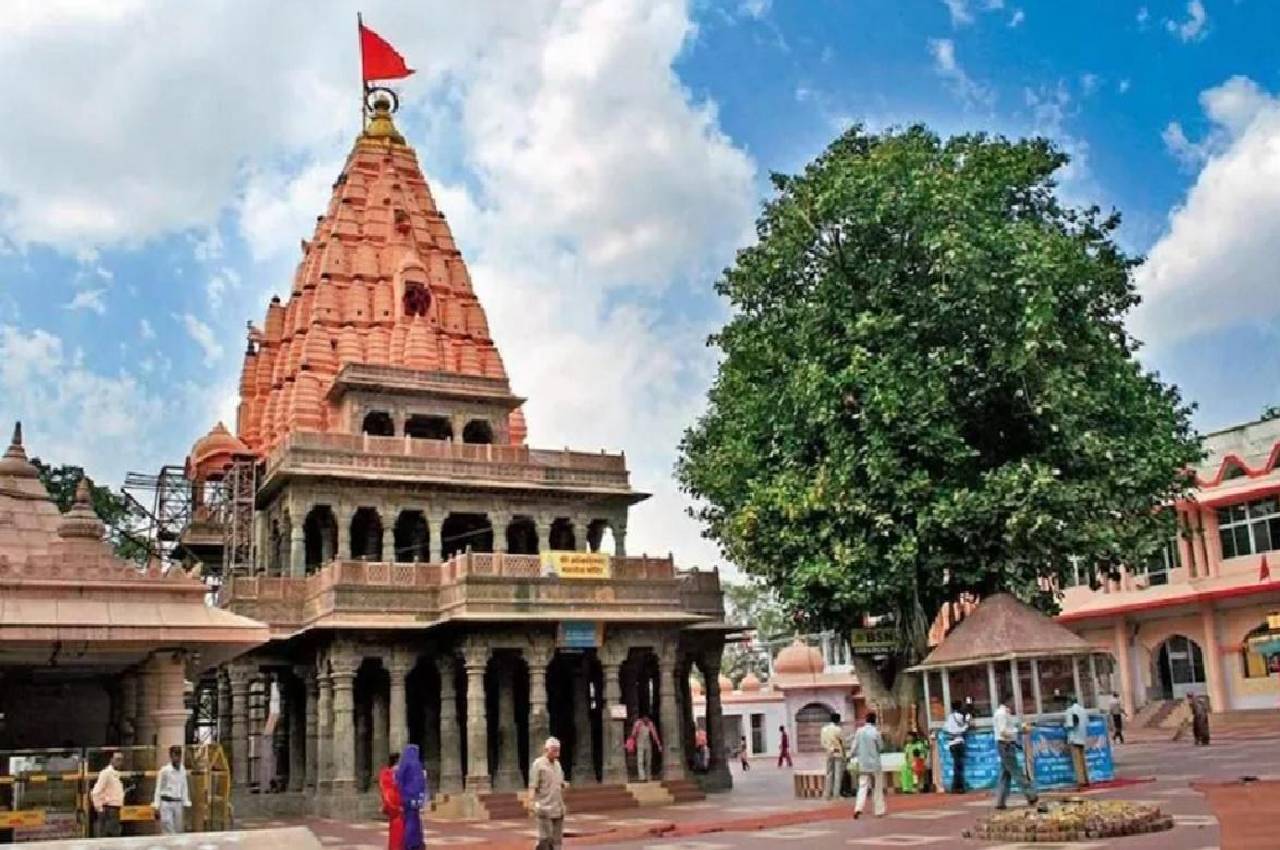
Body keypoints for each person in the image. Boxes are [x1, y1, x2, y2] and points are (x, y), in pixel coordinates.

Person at [993, 700, 1039, 810]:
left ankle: (1000, 801)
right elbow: (1003, 732)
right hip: (1005, 745)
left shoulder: (1005, 714)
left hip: (1007, 745)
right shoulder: (1001, 714)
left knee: (1005, 774)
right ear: (1008, 701)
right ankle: (1031, 794)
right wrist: (1018, 731)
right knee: (1016, 771)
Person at [529, 736, 567, 850]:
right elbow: (533, 785)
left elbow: (559, 782)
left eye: (558, 750)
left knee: (557, 840)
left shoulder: (557, 765)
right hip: (544, 807)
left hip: (558, 807)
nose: (557, 754)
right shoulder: (538, 764)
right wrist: (531, 803)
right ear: (546, 750)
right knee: (545, 839)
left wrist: (563, 784)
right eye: (554, 750)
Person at [851, 713, 886, 818]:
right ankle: (879, 810)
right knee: (877, 787)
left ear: (866, 719)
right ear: (875, 720)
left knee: (862, 786)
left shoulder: (859, 731)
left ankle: (858, 808)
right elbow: (881, 747)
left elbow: (854, 747)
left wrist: (852, 755)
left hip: (863, 764)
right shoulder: (876, 732)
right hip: (875, 764)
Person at [395, 744, 428, 850]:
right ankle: (415, 842)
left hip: (405, 797)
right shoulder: (417, 765)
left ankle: (408, 843)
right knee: (415, 820)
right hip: (416, 797)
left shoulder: (403, 765)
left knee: (408, 820)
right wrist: (422, 796)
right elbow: (421, 782)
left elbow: (398, 780)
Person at [152, 746, 191, 835]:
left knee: (177, 829)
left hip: (178, 802)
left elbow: (184, 786)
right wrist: (156, 806)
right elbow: (158, 788)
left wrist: (186, 803)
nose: (177, 758)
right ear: (171, 756)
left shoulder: (182, 770)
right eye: (174, 755)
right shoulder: (165, 771)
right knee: (167, 827)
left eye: (178, 755)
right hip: (166, 802)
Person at [90, 751, 126, 837]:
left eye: (121, 760)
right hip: (108, 808)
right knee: (109, 835)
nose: (119, 762)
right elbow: (96, 791)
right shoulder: (106, 773)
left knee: (114, 834)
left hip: (115, 808)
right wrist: (99, 807)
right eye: (117, 759)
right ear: (111, 760)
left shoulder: (117, 774)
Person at [942, 700, 970, 793]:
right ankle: (958, 787)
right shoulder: (962, 716)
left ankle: (955, 786)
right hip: (959, 742)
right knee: (959, 766)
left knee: (956, 765)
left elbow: (945, 729)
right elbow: (966, 727)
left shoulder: (950, 717)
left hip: (951, 743)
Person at [378, 752, 403, 850]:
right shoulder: (388, 773)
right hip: (396, 806)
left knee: (397, 830)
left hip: (398, 805)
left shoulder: (387, 772)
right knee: (396, 829)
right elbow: (386, 790)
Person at [1065, 695, 1090, 789]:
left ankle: (1081, 781)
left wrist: (1065, 726)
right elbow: (1087, 723)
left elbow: (1070, 725)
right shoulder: (1083, 710)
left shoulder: (1070, 711)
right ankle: (1087, 779)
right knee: (1083, 760)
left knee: (1077, 761)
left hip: (1074, 738)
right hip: (1083, 737)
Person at [628, 714, 663, 781]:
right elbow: (633, 734)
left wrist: (659, 745)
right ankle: (642, 777)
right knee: (640, 760)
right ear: (643, 718)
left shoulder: (650, 724)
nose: (647, 720)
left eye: (648, 719)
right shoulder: (638, 723)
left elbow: (654, 734)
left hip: (647, 743)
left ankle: (648, 776)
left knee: (648, 760)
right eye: (646, 719)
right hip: (640, 742)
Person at [820, 713, 846, 799]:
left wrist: (828, 748)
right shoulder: (838, 729)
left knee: (829, 773)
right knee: (837, 774)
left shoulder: (824, 729)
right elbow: (843, 741)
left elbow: (822, 743)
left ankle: (827, 794)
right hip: (837, 752)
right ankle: (836, 794)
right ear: (837, 720)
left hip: (828, 752)